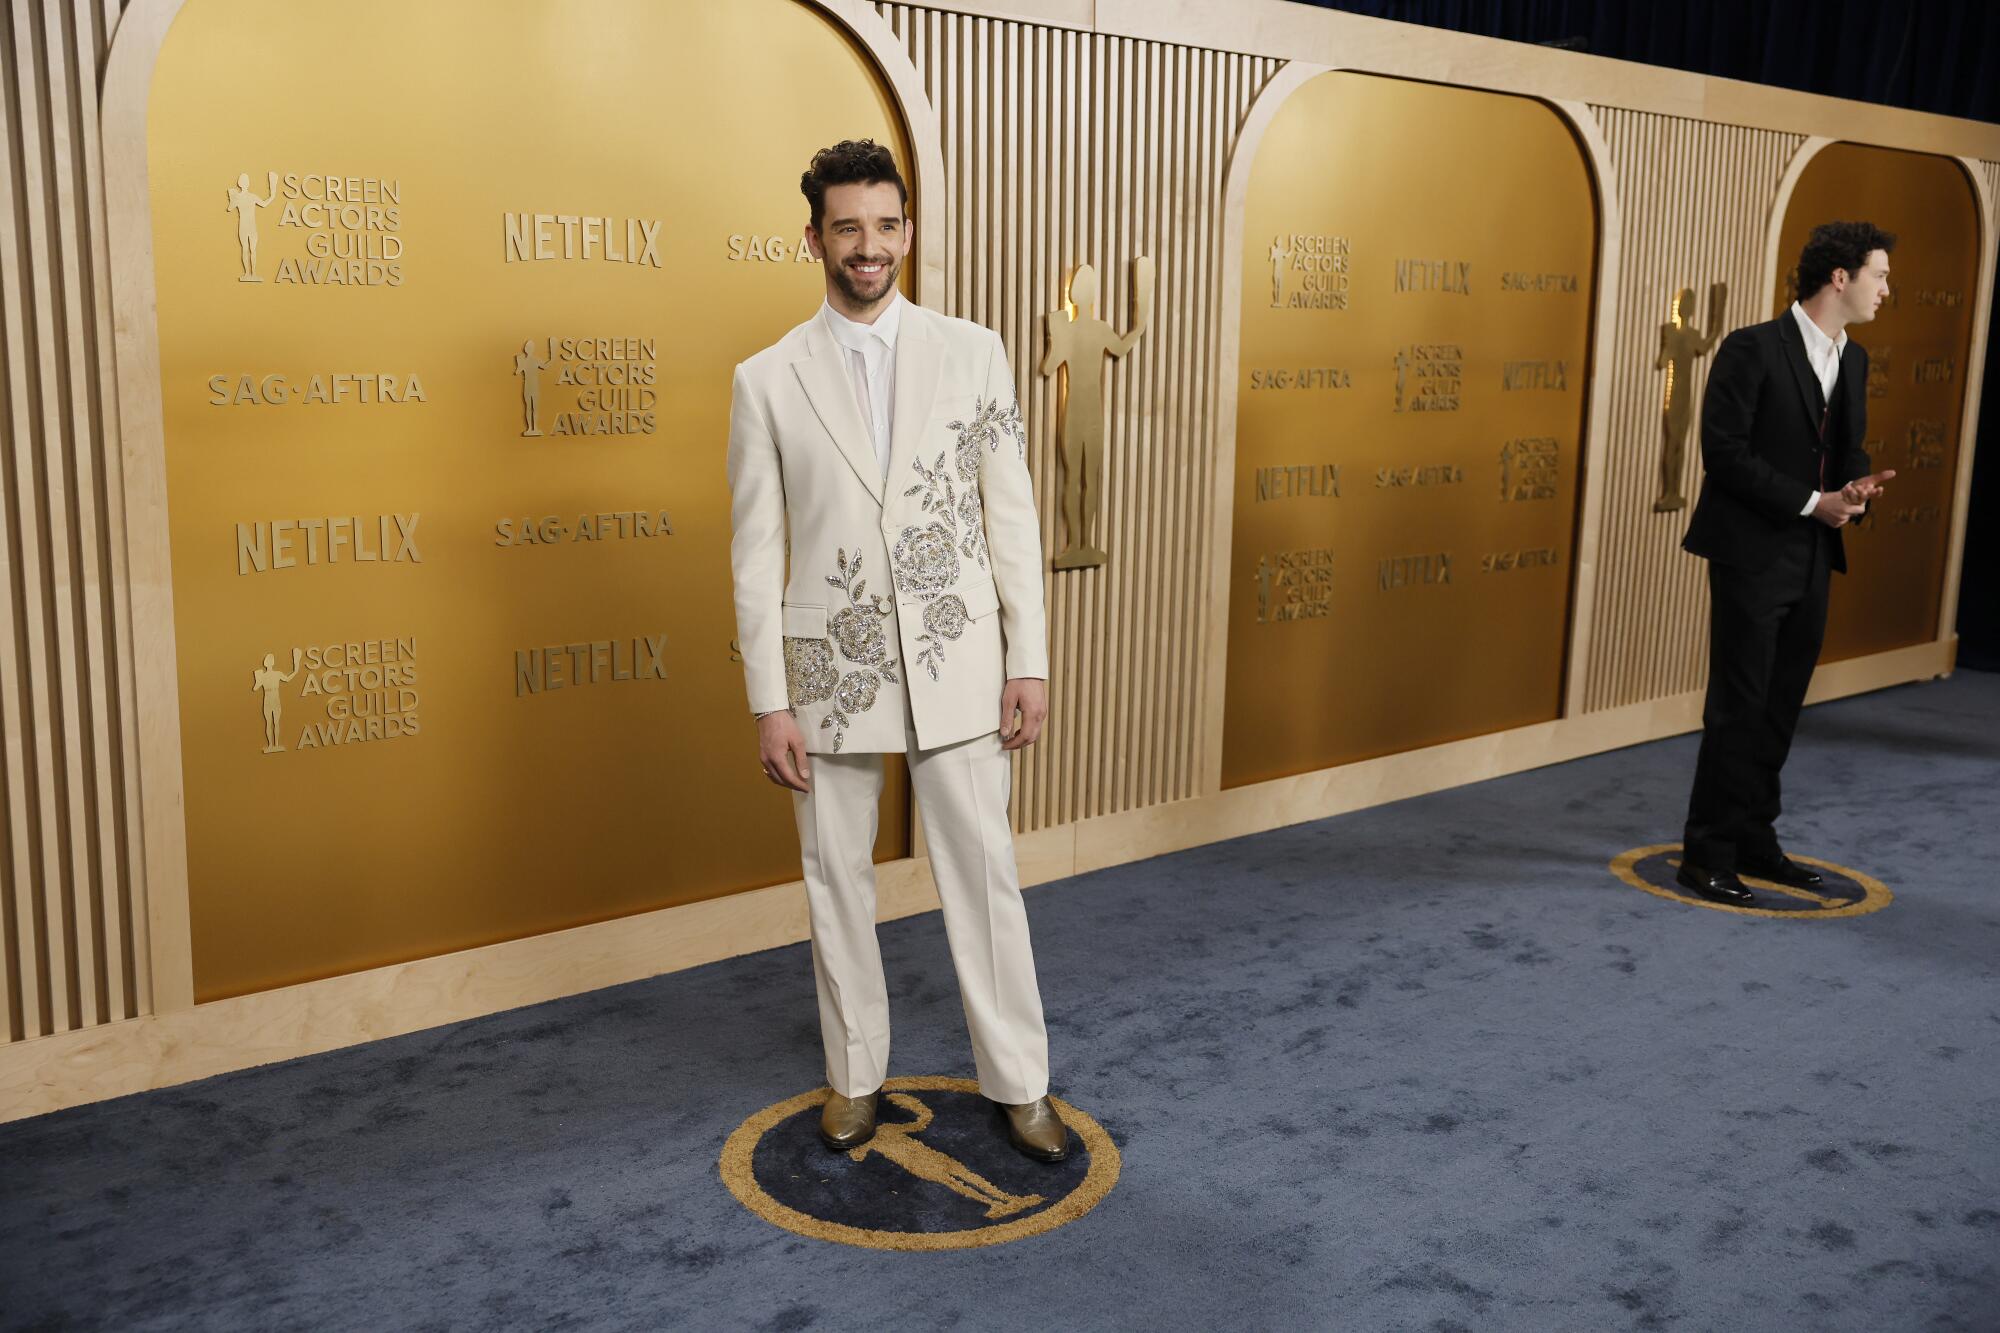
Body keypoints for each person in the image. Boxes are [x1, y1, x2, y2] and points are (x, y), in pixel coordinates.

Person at [725, 139, 1066, 1161]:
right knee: (834, 876)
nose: (866, 247)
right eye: (846, 228)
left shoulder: (975, 351)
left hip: (961, 657)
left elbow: (1012, 516)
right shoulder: (763, 379)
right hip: (826, 665)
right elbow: (752, 547)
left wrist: (1028, 658)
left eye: (883, 226)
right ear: (814, 238)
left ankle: (1020, 1082)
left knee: (985, 873)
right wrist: (766, 698)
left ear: (905, 231)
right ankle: (854, 1076)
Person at [1677, 222, 1897, 904]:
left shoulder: (1853, 359)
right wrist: (1812, 502)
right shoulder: (1751, 348)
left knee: (1780, 706)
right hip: (1750, 552)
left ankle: (1753, 841)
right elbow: (1725, 454)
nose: (1887, 288)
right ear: (1840, 277)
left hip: (1813, 555)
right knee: (1738, 705)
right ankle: (1705, 853)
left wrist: (1855, 493)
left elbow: (1847, 452)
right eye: (1879, 275)